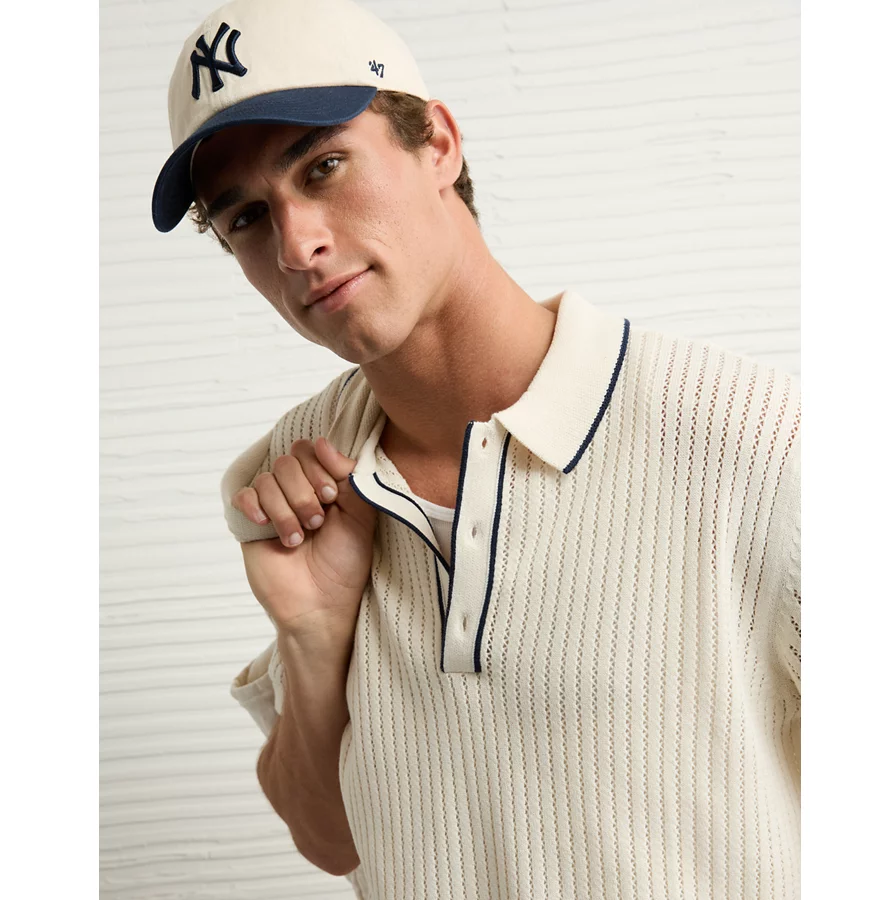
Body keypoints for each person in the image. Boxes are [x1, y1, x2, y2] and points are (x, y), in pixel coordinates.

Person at [152, 1, 801, 897]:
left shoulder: (754, 440)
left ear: (439, 145)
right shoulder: (294, 477)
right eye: (249, 219)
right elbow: (329, 840)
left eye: (325, 166)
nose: (298, 245)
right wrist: (314, 637)